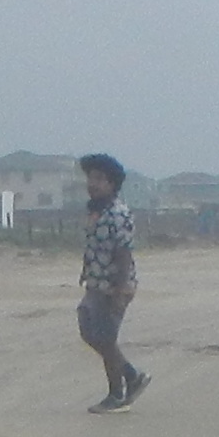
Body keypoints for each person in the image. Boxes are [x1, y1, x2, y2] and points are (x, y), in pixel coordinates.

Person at [73, 151, 144, 410]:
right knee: (89, 330)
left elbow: (124, 253)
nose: (92, 184)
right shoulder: (95, 211)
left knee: (106, 337)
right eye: (90, 178)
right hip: (95, 284)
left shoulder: (118, 213)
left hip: (114, 286)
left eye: (99, 179)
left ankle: (117, 394)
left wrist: (120, 291)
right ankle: (132, 376)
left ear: (112, 183)